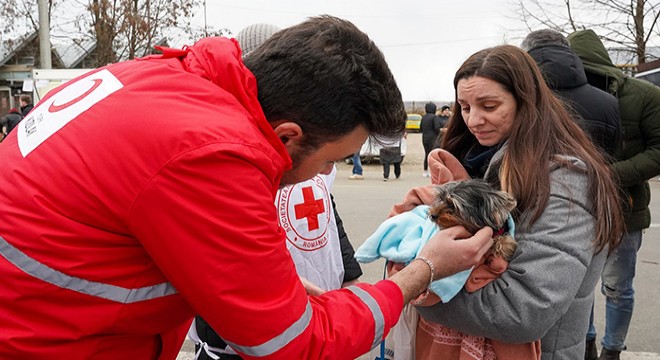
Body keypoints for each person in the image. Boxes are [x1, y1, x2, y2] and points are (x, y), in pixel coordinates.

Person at [0, 15, 493, 359]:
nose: (324, 176)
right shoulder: (211, 155)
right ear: (287, 136)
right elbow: (295, 345)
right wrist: (422, 272)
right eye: (327, 161)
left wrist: (262, 285)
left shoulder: (166, 81)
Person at [389, 44, 623, 360]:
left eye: (488, 105)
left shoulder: (565, 181)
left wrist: (413, 286)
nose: (473, 120)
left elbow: (524, 310)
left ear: (526, 102)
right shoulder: (470, 162)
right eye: (465, 107)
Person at [191, 167, 364, 359]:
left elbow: (327, 211)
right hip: (245, 336)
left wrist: (350, 276)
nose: (328, 169)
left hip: (316, 325)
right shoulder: (238, 169)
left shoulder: (313, 167)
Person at [568, 29, 660, 360]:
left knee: (618, 288)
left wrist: (609, 175)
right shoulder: (564, 96)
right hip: (577, 211)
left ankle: (612, 349)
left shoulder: (645, 95)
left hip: (625, 209)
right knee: (580, 288)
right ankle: (587, 343)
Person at [520, 29, 621, 160]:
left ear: (526, 55)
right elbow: (612, 153)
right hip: (592, 177)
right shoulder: (609, 102)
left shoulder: (516, 99)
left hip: (527, 179)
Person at [420, 102, 442, 177]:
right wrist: (439, 133)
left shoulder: (424, 117)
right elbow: (436, 128)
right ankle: (433, 171)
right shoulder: (434, 117)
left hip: (425, 138)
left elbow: (420, 129)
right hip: (433, 138)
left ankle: (425, 171)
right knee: (433, 155)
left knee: (427, 154)